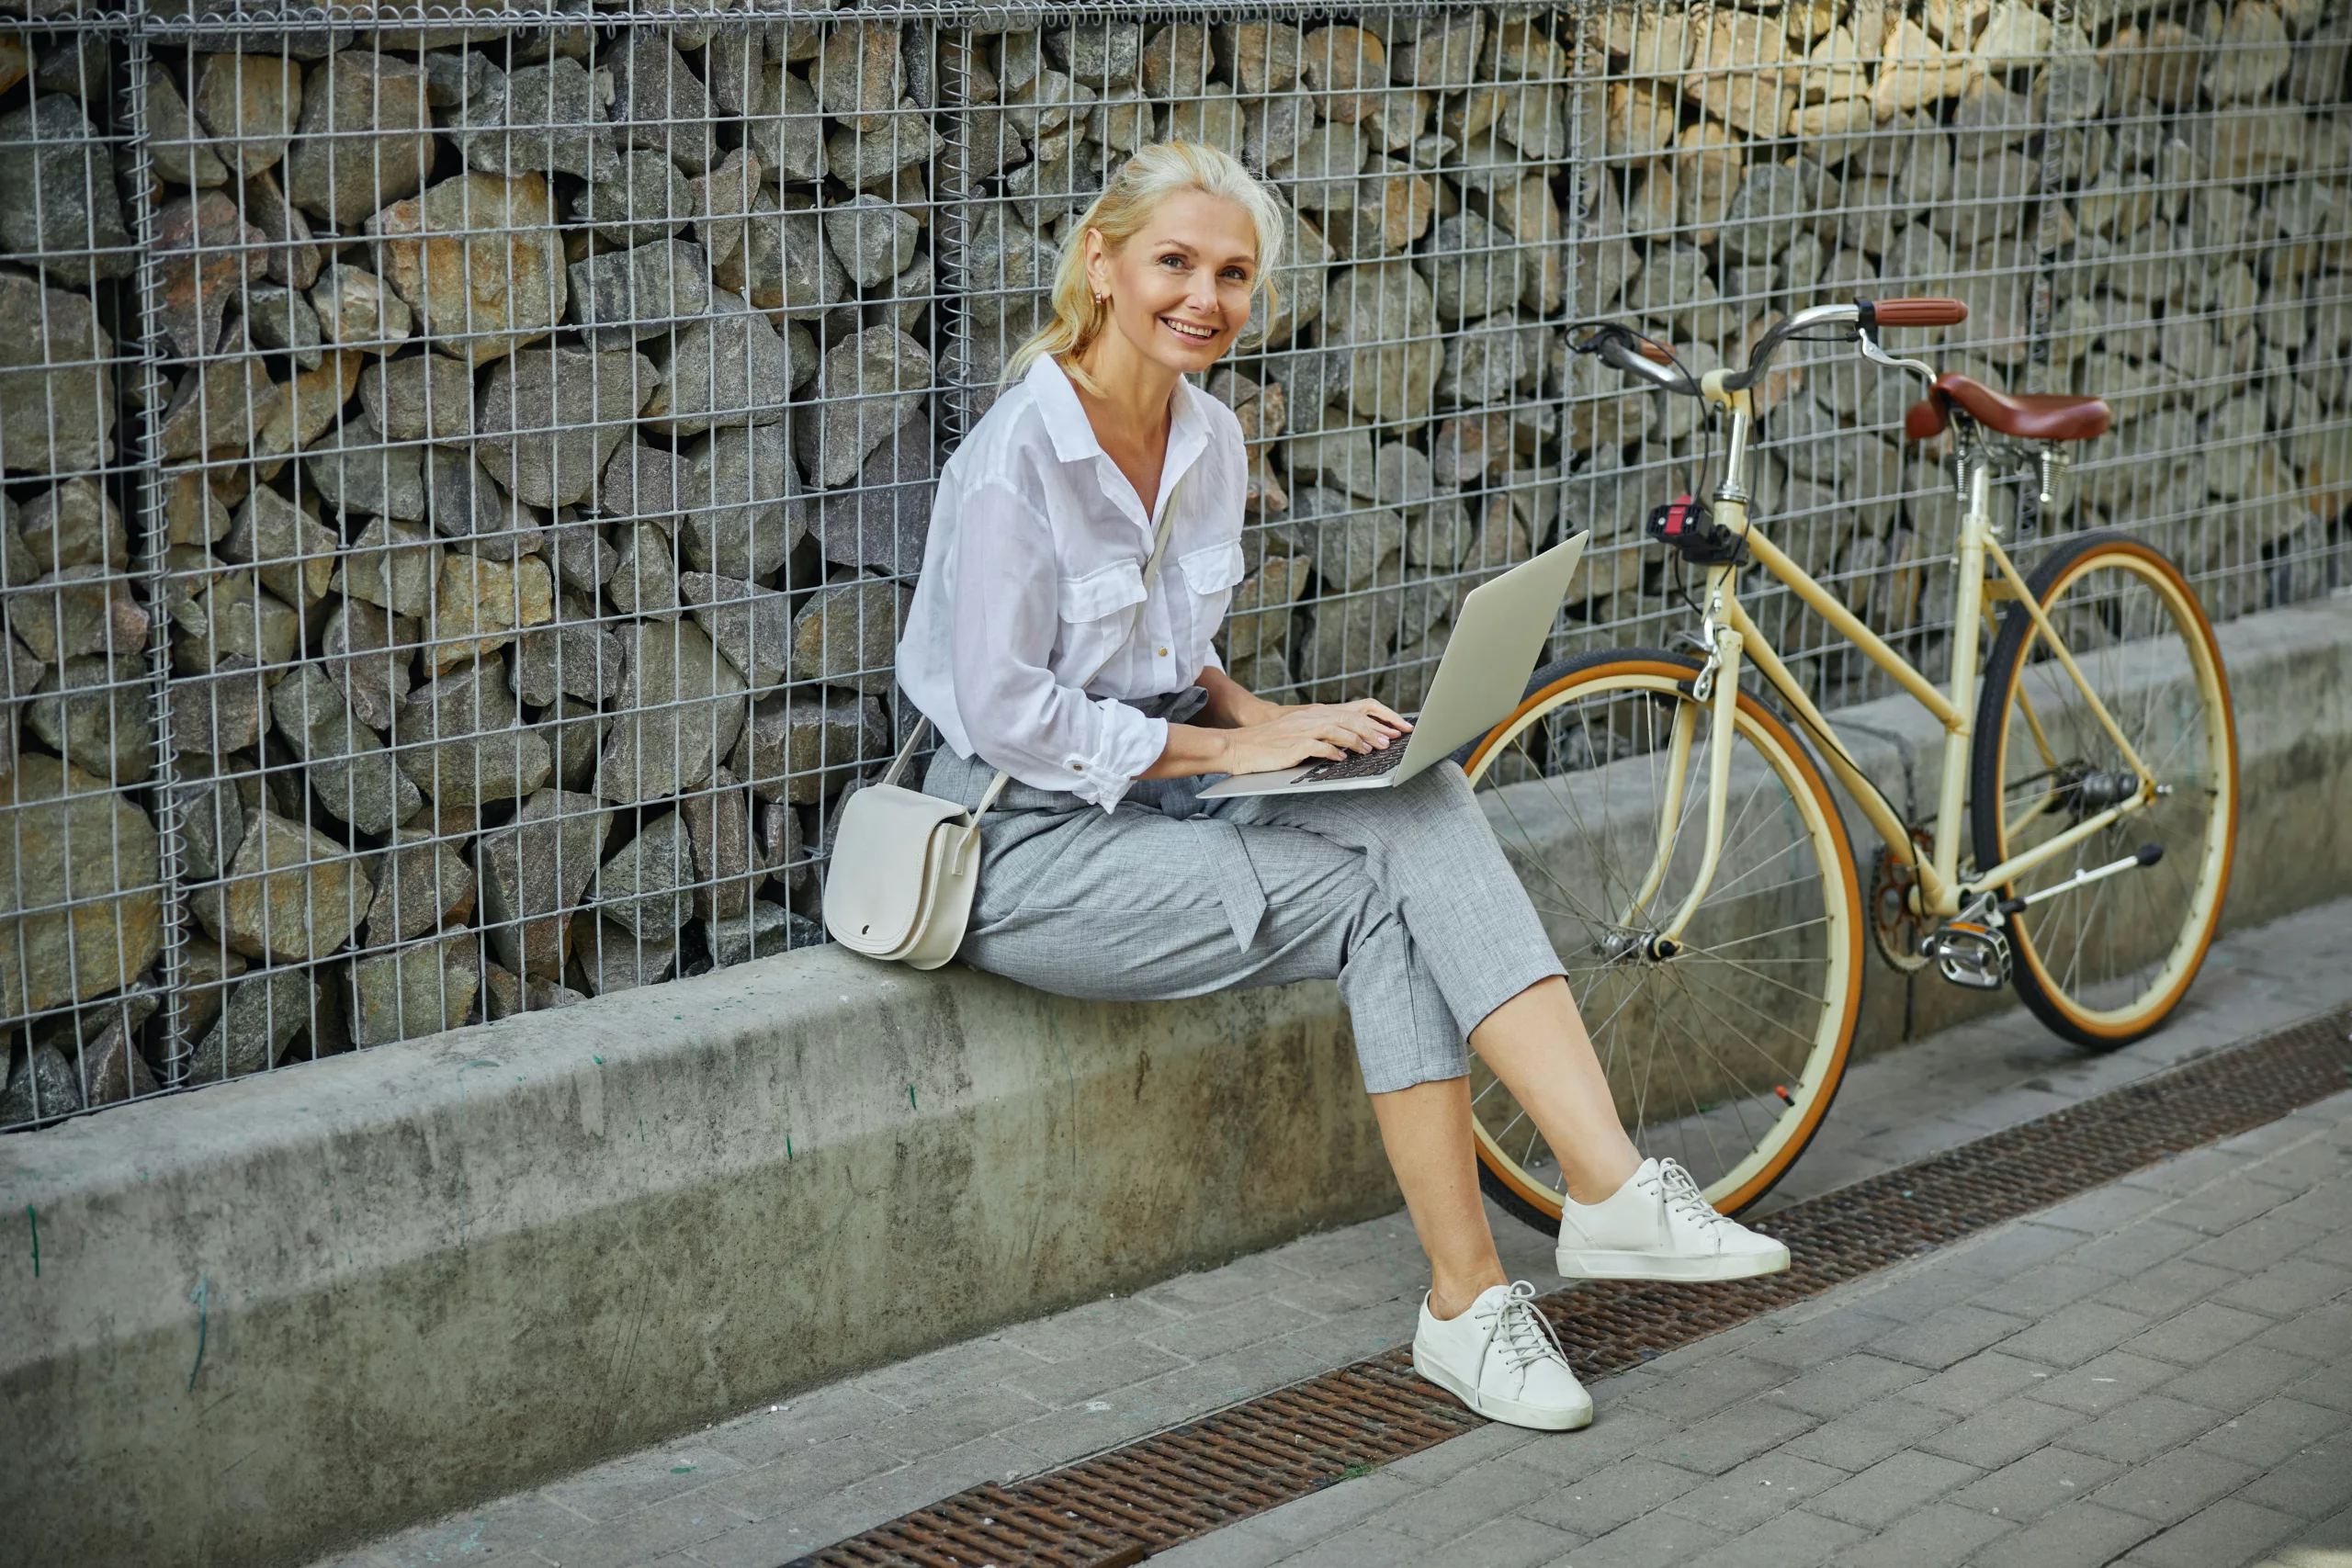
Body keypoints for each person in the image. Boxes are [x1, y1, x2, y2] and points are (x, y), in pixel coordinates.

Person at [895, 141, 1787, 1433]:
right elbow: (1012, 712)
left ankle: (1602, 1193)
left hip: (1162, 781)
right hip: (1025, 840)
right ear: (1101, 262)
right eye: (1176, 262)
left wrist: (1270, 717)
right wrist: (1224, 750)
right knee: (1385, 906)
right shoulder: (1014, 460)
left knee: (1414, 792)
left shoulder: (1201, 432)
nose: (1206, 297)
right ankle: (1473, 1301)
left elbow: (1161, 641)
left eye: (1234, 273)